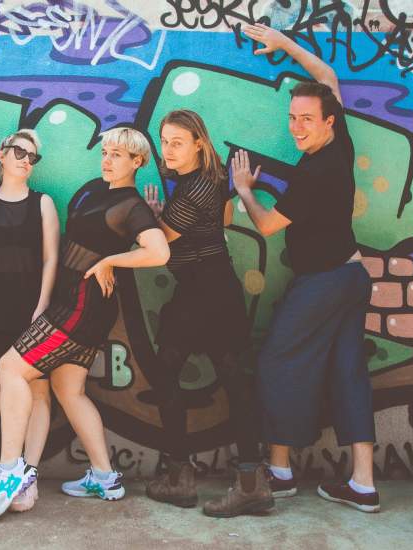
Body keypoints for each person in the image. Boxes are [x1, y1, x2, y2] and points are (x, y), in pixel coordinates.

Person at [0, 127, 170, 522]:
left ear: (137, 162)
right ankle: (104, 477)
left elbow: (158, 252)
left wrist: (110, 260)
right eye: (105, 152)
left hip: (81, 306)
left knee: (10, 367)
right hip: (77, 303)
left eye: (118, 154)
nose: (107, 160)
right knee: (69, 389)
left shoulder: (131, 205)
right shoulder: (103, 192)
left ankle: (10, 471)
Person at [233, 23, 379, 513]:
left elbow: (268, 225)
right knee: (348, 373)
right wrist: (285, 45)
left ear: (329, 121)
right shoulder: (339, 146)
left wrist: (245, 190)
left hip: (325, 282)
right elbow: (328, 76)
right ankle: (363, 484)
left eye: (307, 120)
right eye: (293, 117)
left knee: (276, 361)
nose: (297, 127)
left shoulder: (316, 171)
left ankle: (279, 473)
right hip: (352, 278)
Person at [143, 110, 273, 518]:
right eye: (164, 141)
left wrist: (153, 218)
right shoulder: (208, 180)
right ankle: (249, 482)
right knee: (233, 379)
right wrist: (163, 215)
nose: (167, 150)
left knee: (167, 370)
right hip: (216, 289)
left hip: (203, 290)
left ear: (199, 142)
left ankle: (181, 477)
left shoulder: (194, 189)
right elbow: (220, 220)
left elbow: (161, 242)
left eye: (177, 142)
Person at [0, 129, 59, 514]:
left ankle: (27, 475)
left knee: (38, 392)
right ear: (2, 155)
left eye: (32, 156)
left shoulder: (43, 203)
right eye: (19, 152)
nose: (25, 160)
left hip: (31, 313)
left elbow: (51, 258)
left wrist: (42, 307)